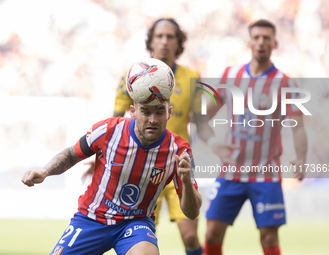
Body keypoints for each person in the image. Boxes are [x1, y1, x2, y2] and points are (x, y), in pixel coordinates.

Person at [83, 18, 207, 255]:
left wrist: (219, 147)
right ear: (150, 40)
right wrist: (98, 159)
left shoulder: (193, 77)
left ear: (178, 43)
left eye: (170, 36)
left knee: (190, 236)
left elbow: (201, 125)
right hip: (140, 168)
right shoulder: (131, 76)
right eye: (159, 36)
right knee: (142, 235)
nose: (164, 41)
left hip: (177, 163)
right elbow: (114, 125)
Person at [21, 91, 202, 254]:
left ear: (169, 112)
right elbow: (71, 155)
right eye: (146, 112)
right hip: (92, 219)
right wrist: (45, 171)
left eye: (160, 112)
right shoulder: (108, 130)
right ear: (133, 111)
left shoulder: (179, 151)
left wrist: (186, 181)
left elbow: (192, 213)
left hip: (135, 222)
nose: (153, 119)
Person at [203, 20, 308, 255]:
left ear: (275, 43)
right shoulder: (231, 75)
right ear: (249, 42)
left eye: (266, 38)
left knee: (269, 238)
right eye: (257, 37)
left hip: (266, 172)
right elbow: (204, 116)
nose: (261, 42)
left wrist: (301, 158)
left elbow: (298, 126)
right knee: (211, 233)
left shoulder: (285, 83)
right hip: (230, 170)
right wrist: (213, 143)